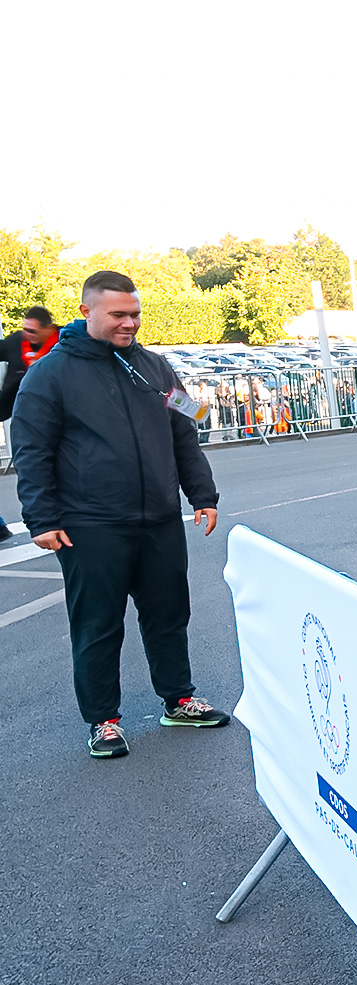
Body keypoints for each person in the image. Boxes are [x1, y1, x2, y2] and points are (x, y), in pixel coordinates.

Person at [10, 271, 229, 760]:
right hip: (91, 524)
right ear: (87, 311)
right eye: (119, 315)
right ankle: (103, 721)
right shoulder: (50, 373)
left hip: (158, 520)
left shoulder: (155, 367)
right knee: (98, 624)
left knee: (169, 615)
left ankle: (179, 699)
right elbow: (30, 450)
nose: (130, 322)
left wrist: (203, 494)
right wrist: (41, 519)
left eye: (135, 314)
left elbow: (184, 431)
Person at [1, 306, 61, 540]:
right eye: (25, 329)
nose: (28, 335)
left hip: (55, 411)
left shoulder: (63, 342)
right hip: (22, 411)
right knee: (28, 459)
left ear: (48, 329)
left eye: (33, 331)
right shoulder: (18, 342)